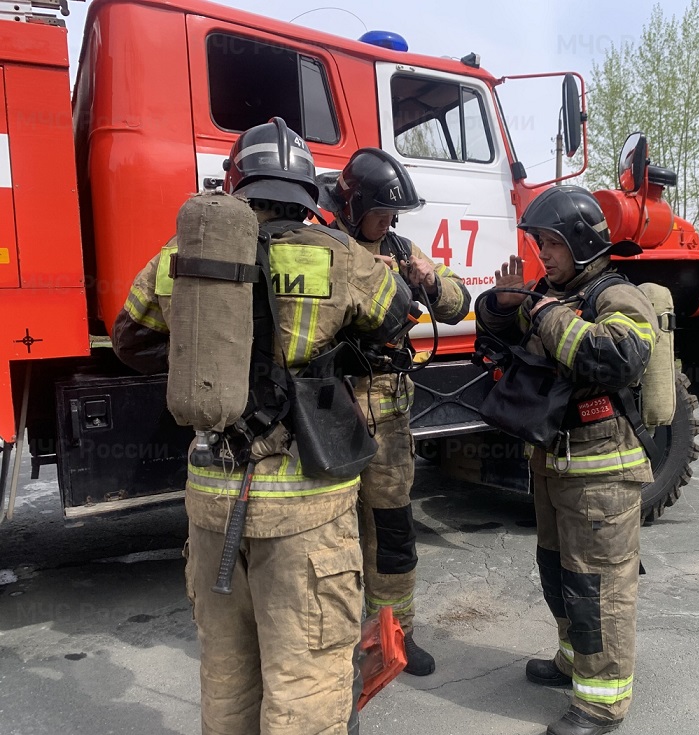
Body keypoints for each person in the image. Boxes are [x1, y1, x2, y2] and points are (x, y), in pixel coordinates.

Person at [112, 117, 413, 735]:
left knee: (227, 682)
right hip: (309, 510)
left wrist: (213, 364)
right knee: (305, 688)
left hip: (212, 503)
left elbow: (129, 335)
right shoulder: (338, 254)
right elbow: (397, 315)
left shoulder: (181, 254)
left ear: (236, 183)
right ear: (305, 190)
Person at [476, 185, 657, 735]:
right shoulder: (550, 295)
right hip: (555, 463)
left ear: (581, 242)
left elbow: (618, 356)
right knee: (559, 574)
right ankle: (573, 662)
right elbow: (503, 346)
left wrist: (547, 314)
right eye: (539, 243)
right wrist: (504, 308)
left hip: (602, 469)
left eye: (551, 243)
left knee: (597, 586)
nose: (543, 254)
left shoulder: (616, 295)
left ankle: (602, 704)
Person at [319, 148, 471, 676]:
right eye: (380, 214)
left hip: (388, 415)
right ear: (353, 205)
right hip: (332, 412)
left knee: (392, 532)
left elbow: (458, 305)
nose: (389, 224)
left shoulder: (402, 249)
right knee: (330, 536)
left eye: (393, 215)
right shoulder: (323, 245)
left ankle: (396, 637)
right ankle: (337, 645)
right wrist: (364, 274)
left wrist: (428, 279)